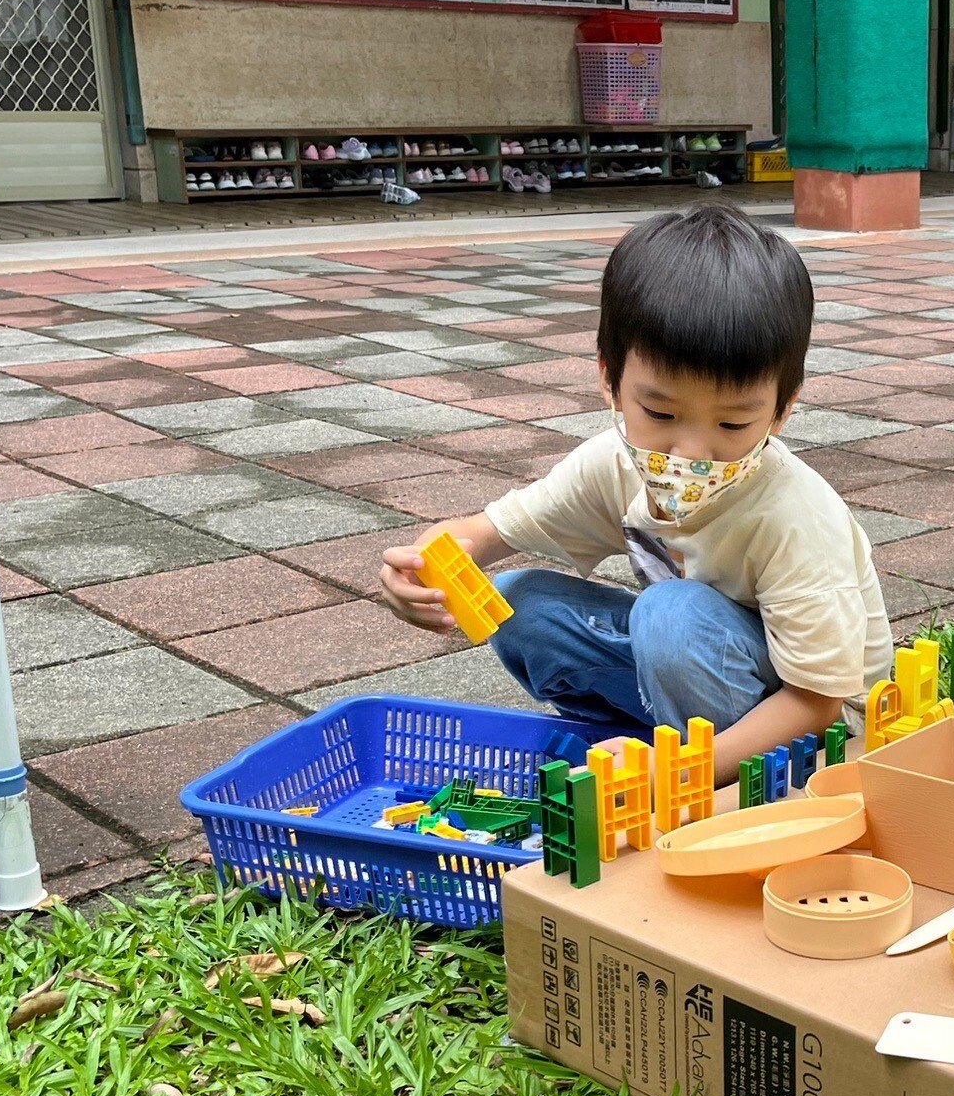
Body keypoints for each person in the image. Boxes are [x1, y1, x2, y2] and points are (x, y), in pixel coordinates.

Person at [377, 202, 893, 784]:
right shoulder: (611, 463)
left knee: (670, 614)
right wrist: (422, 572)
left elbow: (818, 703)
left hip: (815, 732)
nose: (690, 453)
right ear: (609, 378)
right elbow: (480, 536)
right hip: (701, 674)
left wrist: (675, 773)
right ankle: (644, 747)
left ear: (782, 408)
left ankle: (696, 775)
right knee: (517, 601)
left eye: (732, 424)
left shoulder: (795, 516)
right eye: (660, 411)